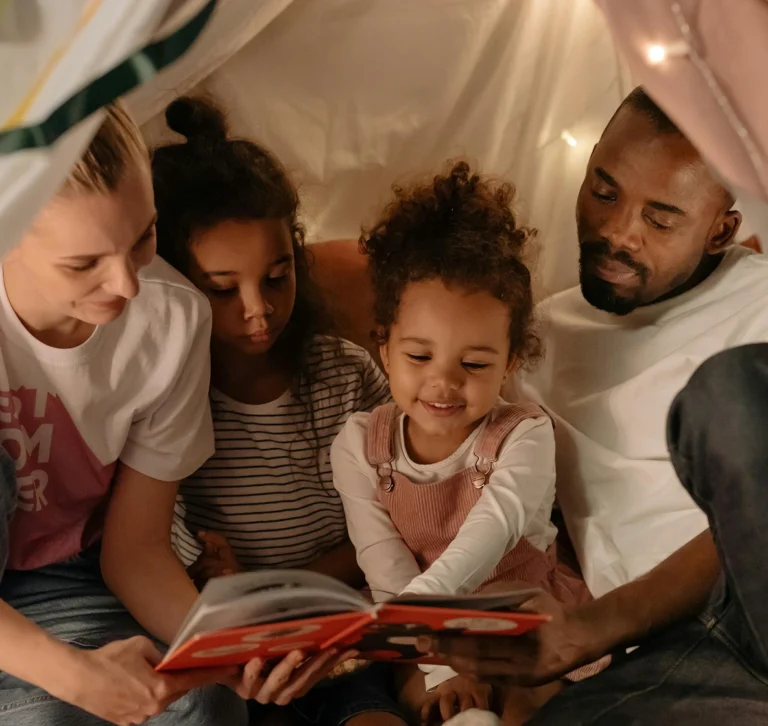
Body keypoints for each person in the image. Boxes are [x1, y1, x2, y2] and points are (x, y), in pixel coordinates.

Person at [416, 88, 768, 722]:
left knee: (727, 393)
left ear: (722, 230)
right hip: (671, 656)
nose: (615, 233)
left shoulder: (761, 304)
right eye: (603, 193)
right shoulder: (534, 340)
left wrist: (592, 627)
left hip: (742, 601)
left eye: (660, 219)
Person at [0, 102, 352, 726]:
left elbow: (134, 550)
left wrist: (232, 652)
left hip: (69, 579)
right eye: (84, 264)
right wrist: (71, 675)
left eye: (143, 238)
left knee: (206, 705)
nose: (128, 285)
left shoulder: (171, 318)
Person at [151, 96, 406, 726]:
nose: (257, 309)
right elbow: (188, 572)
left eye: (276, 276)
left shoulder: (345, 374)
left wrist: (281, 584)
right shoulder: (170, 406)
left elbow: (399, 525)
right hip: (248, 657)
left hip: (349, 637)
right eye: (221, 289)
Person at [331, 162, 603, 725]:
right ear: (383, 348)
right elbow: (384, 566)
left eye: (474, 363)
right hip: (418, 636)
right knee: (442, 708)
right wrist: (437, 664)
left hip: (521, 620)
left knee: (530, 705)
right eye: (419, 356)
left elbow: (491, 531)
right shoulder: (360, 445)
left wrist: (421, 613)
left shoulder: (523, 435)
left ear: (511, 361)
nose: (443, 383)